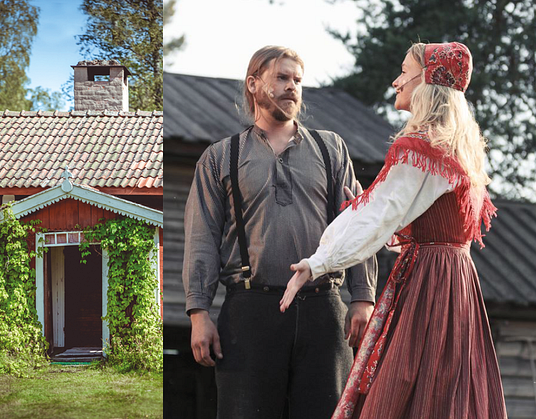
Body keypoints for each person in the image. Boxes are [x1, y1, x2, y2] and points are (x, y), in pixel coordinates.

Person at [279, 41, 507, 418]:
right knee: (446, 390)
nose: (395, 81)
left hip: (429, 283)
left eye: (404, 72)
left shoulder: (420, 147)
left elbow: (378, 213)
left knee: (405, 386)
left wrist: (319, 261)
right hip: (458, 283)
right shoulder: (458, 152)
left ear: (426, 82)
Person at [182, 45, 378, 419]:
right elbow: (201, 237)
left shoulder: (331, 148)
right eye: (283, 78)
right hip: (250, 311)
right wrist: (198, 312)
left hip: (324, 308)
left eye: (298, 81)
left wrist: (363, 297)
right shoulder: (221, 156)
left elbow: (358, 223)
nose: (292, 88)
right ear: (254, 84)